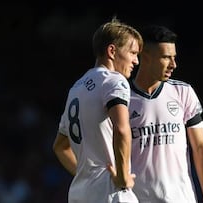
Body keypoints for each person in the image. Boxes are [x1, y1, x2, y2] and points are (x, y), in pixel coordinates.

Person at [52, 17, 143, 203]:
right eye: (133, 53)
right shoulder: (114, 81)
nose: (136, 61)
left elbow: (60, 147)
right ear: (112, 51)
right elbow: (122, 129)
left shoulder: (76, 89)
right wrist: (123, 176)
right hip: (109, 191)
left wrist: (85, 174)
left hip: (80, 192)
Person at [128, 25, 203, 202]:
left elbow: (200, 147)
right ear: (145, 56)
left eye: (174, 57)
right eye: (166, 57)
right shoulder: (121, 98)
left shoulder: (183, 92)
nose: (173, 65)